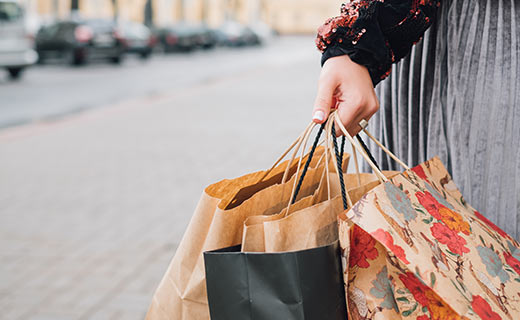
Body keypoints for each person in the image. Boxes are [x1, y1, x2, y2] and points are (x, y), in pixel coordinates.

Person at [312, 0, 520, 240]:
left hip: (488, 43)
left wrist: (360, 44)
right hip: (415, 42)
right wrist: (360, 45)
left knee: (495, 238)